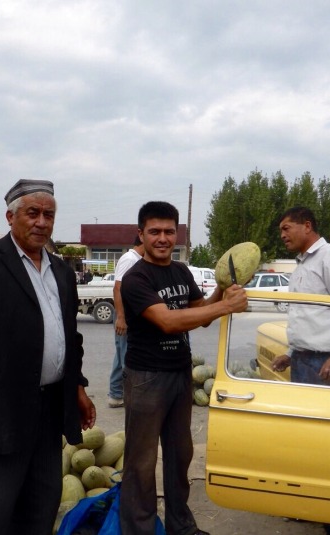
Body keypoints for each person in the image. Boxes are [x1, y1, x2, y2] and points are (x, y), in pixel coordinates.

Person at [0, 179, 96, 535]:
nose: (41, 222)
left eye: (49, 215)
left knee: (40, 508)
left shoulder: (61, 272)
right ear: (10, 217)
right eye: (33, 213)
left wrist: (78, 387)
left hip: (49, 411)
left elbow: (71, 337)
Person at [119, 201, 248, 535]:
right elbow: (168, 321)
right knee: (141, 463)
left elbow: (199, 313)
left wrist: (221, 287)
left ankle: (181, 527)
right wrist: (225, 307)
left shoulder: (181, 272)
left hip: (179, 374)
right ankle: (139, 530)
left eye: (169, 231)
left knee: (180, 457)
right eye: (155, 231)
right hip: (146, 378)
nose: (163, 238)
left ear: (177, 234)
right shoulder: (136, 278)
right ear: (141, 234)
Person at [271, 207, 330, 535]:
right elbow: (310, 315)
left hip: (325, 365)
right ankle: (316, 506)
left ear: (307, 225)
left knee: (329, 447)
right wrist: (291, 353)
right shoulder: (303, 263)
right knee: (308, 442)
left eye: (287, 227)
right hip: (306, 361)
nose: (283, 234)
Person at [107, 235, 145, 408]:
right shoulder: (130, 259)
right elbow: (118, 288)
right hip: (125, 315)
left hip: (129, 315)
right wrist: (121, 317)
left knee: (121, 353)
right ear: (143, 240)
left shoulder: (137, 259)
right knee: (127, 356)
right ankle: (132, 397)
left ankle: (116, 394)